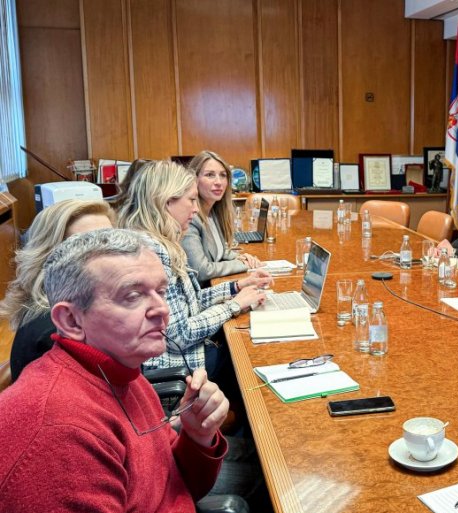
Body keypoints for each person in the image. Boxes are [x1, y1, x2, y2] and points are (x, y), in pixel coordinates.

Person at [0, 229, 228, 511]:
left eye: (161, 291)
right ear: (71, 320)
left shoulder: (123, 371)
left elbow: (175, 488)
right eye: (132, 296)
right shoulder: (58, 434)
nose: (162, 309)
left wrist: (197, 436)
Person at [117, 160, 270, 377]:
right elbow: (180, 334)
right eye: (191, 200)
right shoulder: (153, 252)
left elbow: (190, 303)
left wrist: (236, 287)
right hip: (180, 367)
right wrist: (234, 305)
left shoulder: (155, 241)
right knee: (251, 351)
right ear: (166, 201)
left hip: (184, 356)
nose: (196, 208)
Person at [0, 199, 115, 382]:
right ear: (50, 257)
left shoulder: (76, 305)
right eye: (87, 245)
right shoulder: (57, 332)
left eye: (111, 240)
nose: (111, 255)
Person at [182, 150, 261, 284]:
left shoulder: (213, 211)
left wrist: (241, 257)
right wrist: (241, 265)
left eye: (223, 175)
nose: (218, 182)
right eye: (210, 175)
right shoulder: (190, 218)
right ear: (194, 179)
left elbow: (218, 251)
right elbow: (201, 270)